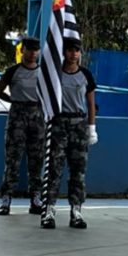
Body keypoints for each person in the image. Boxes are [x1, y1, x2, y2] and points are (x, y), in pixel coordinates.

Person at [42, 37, 97, 229]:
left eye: (77, 50)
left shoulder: (86, 75)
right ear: (63, 52)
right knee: (54, 169)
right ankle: (49, 210)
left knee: (78, 171)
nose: (74, 54)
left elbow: (90, 103)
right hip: (58, 123)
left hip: (78, 124)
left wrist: (92, 127)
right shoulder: (55, 74)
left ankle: (76, 211)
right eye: (70, 50)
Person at [0, 37, 46, 216]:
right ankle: (6, 199)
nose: (32, 53)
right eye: (29, 49)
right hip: (17, 117)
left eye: (35, 50)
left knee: (36, 160)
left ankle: (36, 199)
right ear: (22, 50)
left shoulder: (44, 72)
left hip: (37, 116)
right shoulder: (13, 71)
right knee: (12, 159)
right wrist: (13, 100)